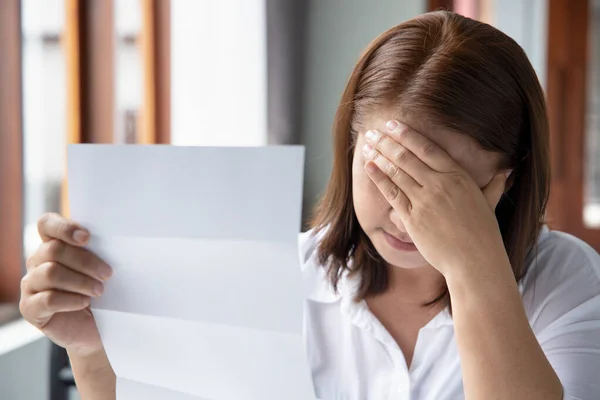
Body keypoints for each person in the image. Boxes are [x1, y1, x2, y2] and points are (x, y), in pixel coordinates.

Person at [20, 11, 600, 400]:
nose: (403, 216)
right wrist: (94, 347)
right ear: (349, 148)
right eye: (385, 177)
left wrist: (473, 266)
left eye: (441, 191)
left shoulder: (561, 279)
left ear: (504, 181)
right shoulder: (276, 275)